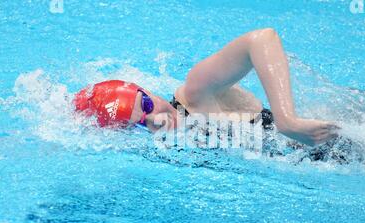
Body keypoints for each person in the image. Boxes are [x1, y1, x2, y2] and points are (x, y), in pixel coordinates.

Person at [74, 28, 339, 146]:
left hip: (350, 144)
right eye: (141, 123)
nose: (156, 118)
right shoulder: (173, 149)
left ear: (148, 92)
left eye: (146, 105)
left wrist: (287, 120)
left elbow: (261, 40)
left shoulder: (196, 93)